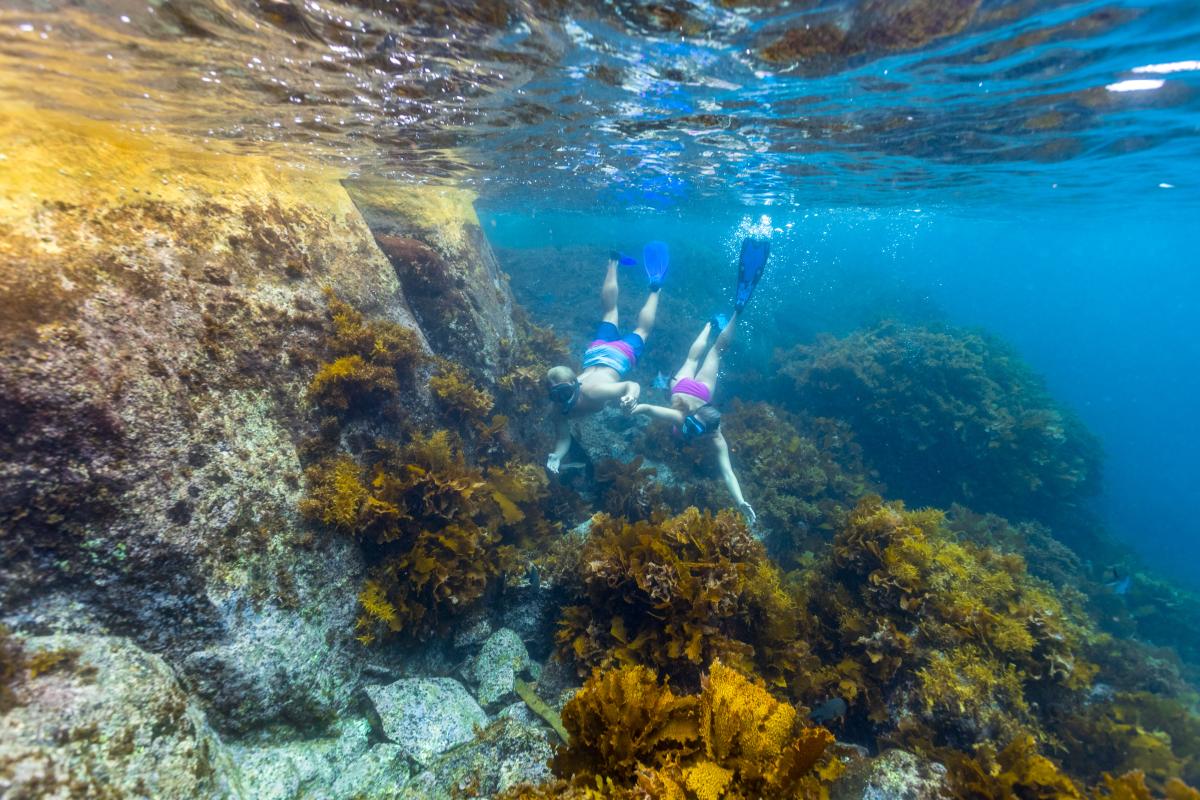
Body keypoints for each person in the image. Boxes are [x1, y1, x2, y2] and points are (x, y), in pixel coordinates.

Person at [629, 236, 769, 524]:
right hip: (681, 388)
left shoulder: (698, 422)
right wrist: (740, 500)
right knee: (699, 359)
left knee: (709, 353)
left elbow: (648, 409)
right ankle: (732, 313)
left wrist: (634, 406)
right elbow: (727, 471)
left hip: (701, 390)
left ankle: (728, 316)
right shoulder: (711, 435)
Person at [545, 243, 669, 474]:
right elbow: (563, 439)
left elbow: (631, 385)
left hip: (618, 357)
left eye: (562, 394)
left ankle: (655, 289)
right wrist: (556, 456)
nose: (559, 400)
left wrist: (631, 397)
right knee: (610, 312)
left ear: (576, 385)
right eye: (554, 395)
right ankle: (613, 262)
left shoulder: (593, 392)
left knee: (642, 330)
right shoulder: (558, 409)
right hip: (595, 352)